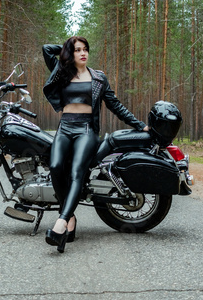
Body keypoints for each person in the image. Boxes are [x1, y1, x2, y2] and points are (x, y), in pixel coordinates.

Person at [42, 36, 148, 253]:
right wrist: (67, 47)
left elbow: (115, 105)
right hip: (65, 127)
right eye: (78, 50)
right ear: (70, 54)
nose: (83, 53)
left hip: (86, 129)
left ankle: (61, 223)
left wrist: (139, 125)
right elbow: (46, 49)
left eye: (85, 49)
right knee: (54, 167)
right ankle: (70, 216)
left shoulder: (98, 78)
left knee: (76, 172)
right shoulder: (62, 72)